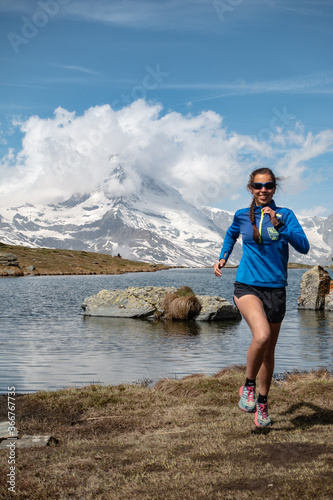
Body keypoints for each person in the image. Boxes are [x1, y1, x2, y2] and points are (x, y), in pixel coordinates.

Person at [213, 168, 309, 427]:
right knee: (262, 335)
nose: (263, 190)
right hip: (247, 286)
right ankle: (248, 385)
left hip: (276, 289)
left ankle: (263, 405)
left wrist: (280, 225)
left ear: (274, 188)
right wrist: (223, 256)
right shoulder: (242, 215)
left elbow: (304, 245)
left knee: (269, 351)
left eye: (268, 185)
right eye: (258, 186)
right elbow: (232, 233)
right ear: (251, 188)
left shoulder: (286, 215)